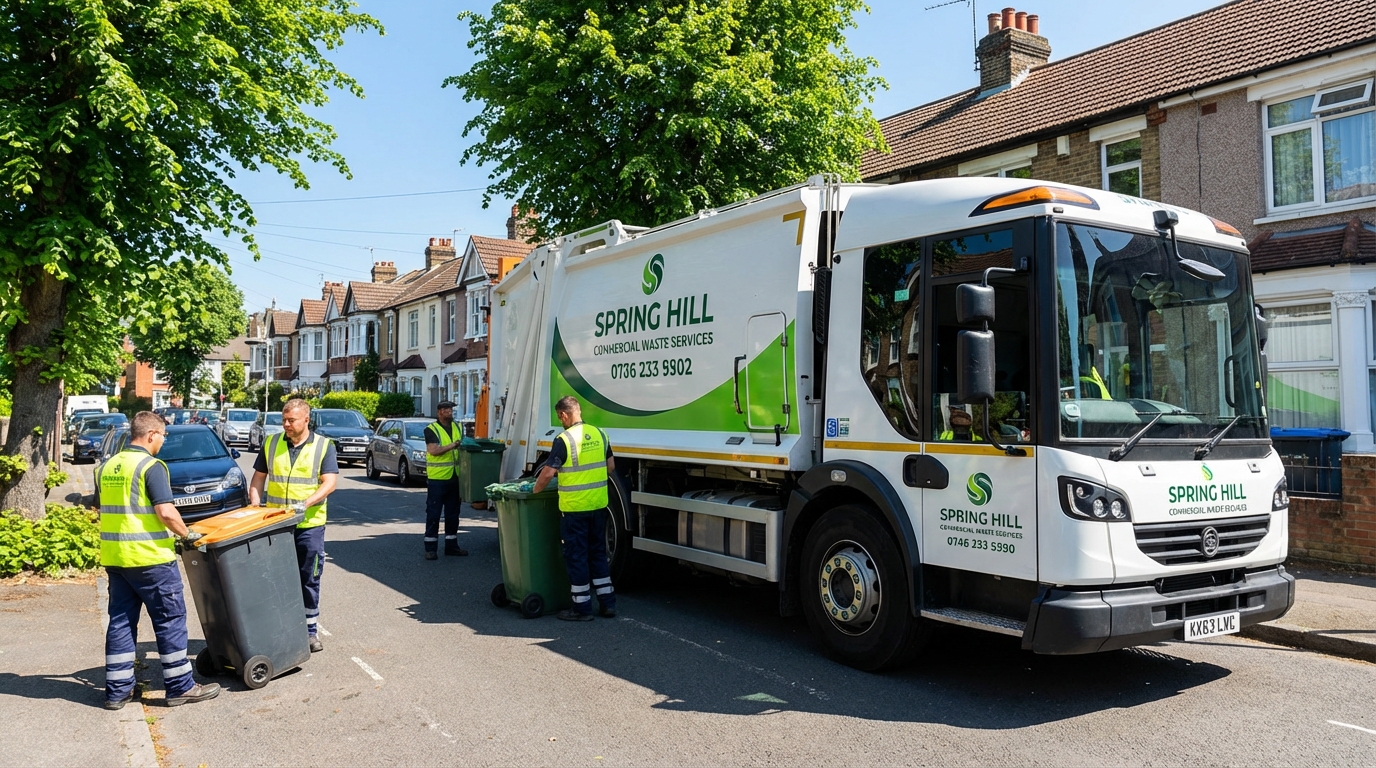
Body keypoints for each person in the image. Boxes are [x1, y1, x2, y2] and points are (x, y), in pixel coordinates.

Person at [100, 411, 220, 709]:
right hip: (151, 560)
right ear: (151, 434)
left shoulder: (107, 467)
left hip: (117, 559)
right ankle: (180, 686)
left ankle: (118, 690)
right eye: (163, 436)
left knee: (121, 622)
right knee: (170, 620)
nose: (163, 442)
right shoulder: (151, 467)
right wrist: (188, 535)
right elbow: (165, 512)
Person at [249, 398, 338, 653]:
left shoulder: (323, 446)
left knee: (308, 577)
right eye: (284, 420)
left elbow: (329, 483)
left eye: (291, 420)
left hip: (308, 524)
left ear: (306, 420)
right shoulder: (271, 443)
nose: (286, 425)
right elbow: (258, 479)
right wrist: (255, 505)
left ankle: (310, 631)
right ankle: (280, 627)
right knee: (275, 577)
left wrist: (306, 503)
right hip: (275, 524)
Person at [532, 396, 618, 621]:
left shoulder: (564, 439)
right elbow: (610, 467)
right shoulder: (600, 434)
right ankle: (608, 604)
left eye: (559, 416)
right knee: (598, 554)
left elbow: (548, 472)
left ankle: (582, 609)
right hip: (599, 506)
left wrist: (535, 491)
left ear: (563, 414)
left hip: (575, 509)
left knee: (577, 557)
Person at [423, 400, 466, 559]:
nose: (449, 411)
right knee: (433, 514)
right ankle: (430, 548)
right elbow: (434, 451)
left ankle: (452, 546)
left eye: (451, 409)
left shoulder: (459, 427)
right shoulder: (431, 429)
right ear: (439, 411)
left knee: (453, 514)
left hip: (455, 477)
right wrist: (453, 445)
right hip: (437, 479)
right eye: (446, 409)